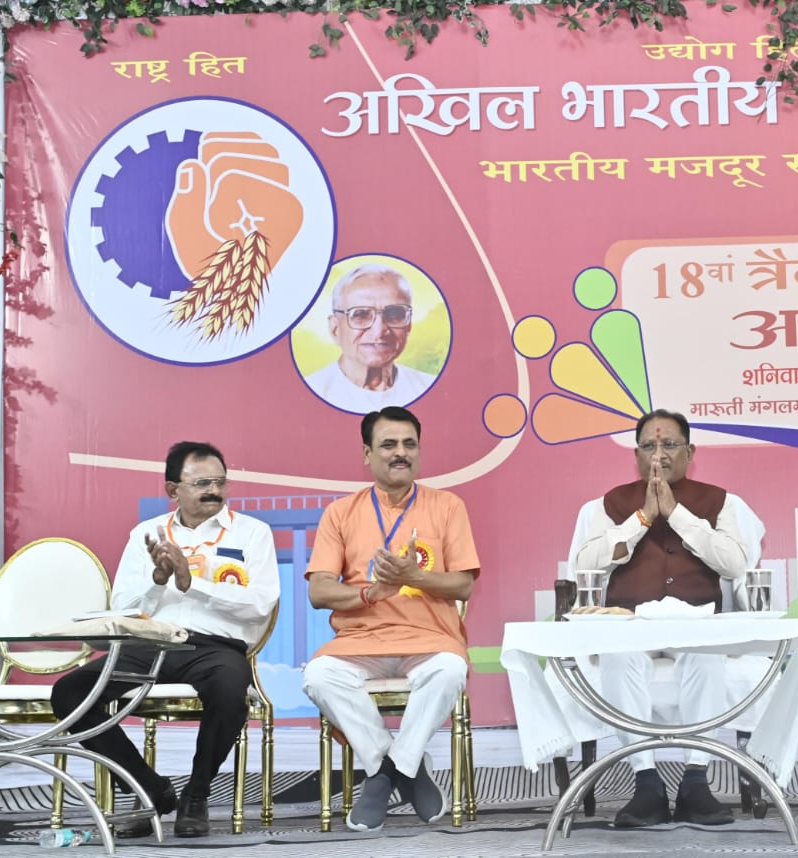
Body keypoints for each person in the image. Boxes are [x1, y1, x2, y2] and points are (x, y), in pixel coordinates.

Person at [52, 442, 279, 838]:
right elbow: (122, 608)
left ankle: (196, 795)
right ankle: (150, 788)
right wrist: (158, 581)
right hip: (149, 646)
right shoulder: (146, 533)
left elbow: (261, 605)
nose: (214, 491)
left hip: (215, 648)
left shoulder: (253, 533)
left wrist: (194, 584)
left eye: (220, 482)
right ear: (173, 490)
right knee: (70, 693)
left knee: (230, 691)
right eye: (202, 483)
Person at [572, 409, 756, 827]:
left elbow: (735, 564)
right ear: (636, 454)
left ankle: (695, 781)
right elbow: (586, 563)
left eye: (669, 445)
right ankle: (646, 784)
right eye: (648, 446)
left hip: (695, 620)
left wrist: (677, 515)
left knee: (706, 655)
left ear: (690, 452)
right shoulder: (610, 504)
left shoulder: (720, 501)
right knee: (618, 657)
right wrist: (641, 519)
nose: (659, 454)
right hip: (631, 622)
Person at [301, 406, 478, 832]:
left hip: (429, 637)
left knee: (450, 669)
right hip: (361, 640)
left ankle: (385, 774)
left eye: (409, 444)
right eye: (389, 445)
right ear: (367, 454)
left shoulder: (447, 506)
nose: (401, 453)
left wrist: (414, 577)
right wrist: (369, 593)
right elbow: (318, 591)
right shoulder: (341, 512)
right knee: (319, 675)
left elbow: (463, 585)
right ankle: (402, 768)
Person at [303, 265, 436, 412]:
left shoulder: (429, 389)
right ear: (335, 329)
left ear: (408, 325)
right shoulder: (311, 393)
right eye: (360, 315)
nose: (379, 331)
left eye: (394, 314)